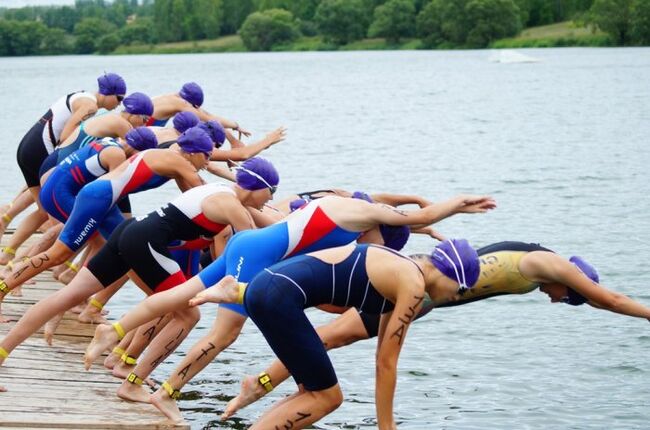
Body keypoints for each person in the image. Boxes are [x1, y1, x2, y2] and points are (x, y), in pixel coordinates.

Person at [82, 194, 495, 406]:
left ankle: (112, 331)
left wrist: (429, 225)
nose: (379, 244)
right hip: (258, 255)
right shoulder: (366, 219)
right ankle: (163, 393)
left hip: (248, 244)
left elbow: (408, 221)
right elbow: (415, 218)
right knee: (222, 335)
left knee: (179, 295)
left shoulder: (347, 205)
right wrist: (457, 205)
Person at [222, 240, 650, 420]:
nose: (559, 300)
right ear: (572, 280)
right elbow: (607, 298)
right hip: (421, 291)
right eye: (567, 297)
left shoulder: (546, 276)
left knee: (331, 336)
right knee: (331, 336)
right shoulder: (548, 265)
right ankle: (258, 383)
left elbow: (599, 301)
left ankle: (262, 384)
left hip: (426, 298)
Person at [0, 159, 279, 384]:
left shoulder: (223, 192)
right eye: (272, 192)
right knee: (188, 313)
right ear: (260, 187)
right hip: (147, 240)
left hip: (129, 232)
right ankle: (131, 377)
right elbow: (250, 249)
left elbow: (267, 221)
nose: (270, 199)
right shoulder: (232, 207)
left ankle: (2, 352)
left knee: (69, 295)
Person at [178, 239, 480, 428]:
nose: (455, 298)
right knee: (327, 398)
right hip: (277, 297)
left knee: (311, 393)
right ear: (449, 272)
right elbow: (387, 364)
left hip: (268, 289)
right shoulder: (412, 286)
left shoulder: (403, 270)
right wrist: (387, 426)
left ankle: (238, 291)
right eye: (460, 290)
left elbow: (381, 357)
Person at [0, 127, 212, 321]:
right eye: (207, 156)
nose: (209, 163)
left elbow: (195, 194)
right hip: (97, 198)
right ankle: (4, 287)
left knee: (125, 251)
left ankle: (85, 303)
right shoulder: (178, 162)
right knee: (59, 254)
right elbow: (202, 195)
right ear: (193, 152)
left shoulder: (175, 159)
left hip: (105, 201)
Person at [0, 91, 153, 267]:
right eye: (144, 119)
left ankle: (25, 260)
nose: (144, 125)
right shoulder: (121, 125)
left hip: (57, 167)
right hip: (56, 169)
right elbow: (133, 156)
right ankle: (23, 265)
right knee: (73, 230)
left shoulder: (107, 118)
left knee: (71, 227)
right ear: (133, 113)